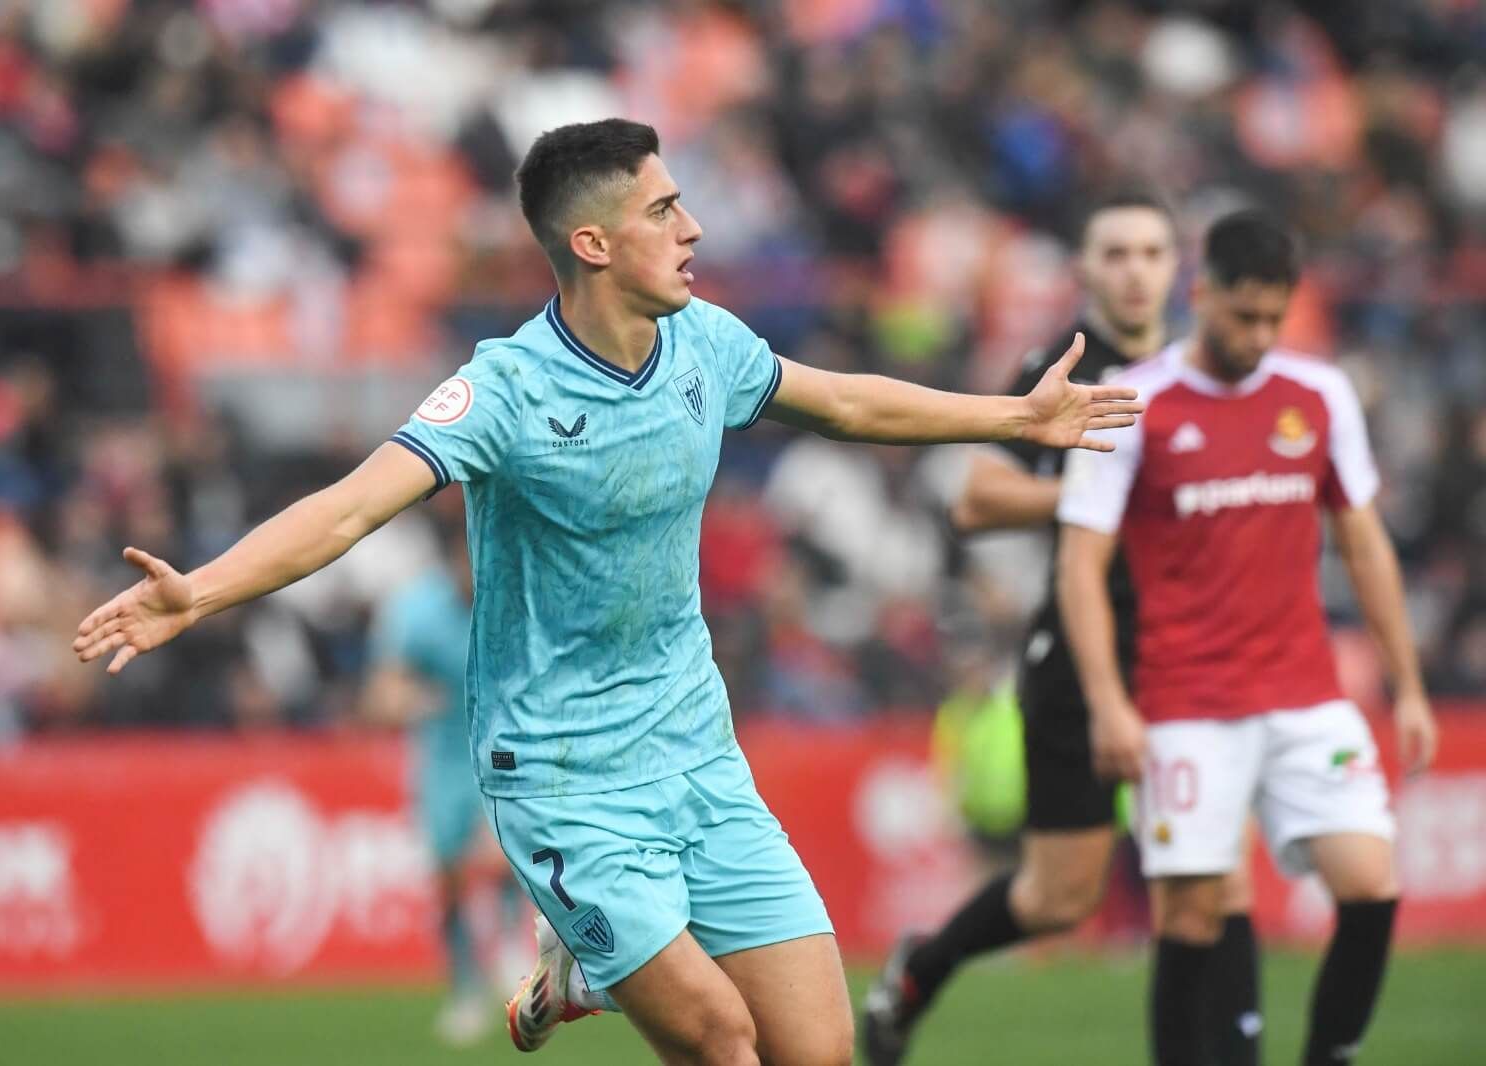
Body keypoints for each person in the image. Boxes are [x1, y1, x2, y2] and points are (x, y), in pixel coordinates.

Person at [73, 118, 1143, 1066]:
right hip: (563, 775)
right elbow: (354, 506)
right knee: (724, 1042)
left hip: (694, 749)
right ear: (591, 243)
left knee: (815, 1049)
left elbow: (848, 405)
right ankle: (593, 957)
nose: (693, 229)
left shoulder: (706, 345)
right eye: (664, 209)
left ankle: (583, 972)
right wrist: (199, 593)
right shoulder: (506, 388)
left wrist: (1011, 417)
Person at [864, 191, 1264, 1066]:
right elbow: (974, 499)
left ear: (1178, 269)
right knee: (1058, 897)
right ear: (1084, 270)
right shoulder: (1061, 365)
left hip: (1193, 652)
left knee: (1215, 881)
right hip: (1083, 653)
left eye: (1151, 253)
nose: (1133, 271)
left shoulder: (1211, 364)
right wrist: (1099, 497)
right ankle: (920, 971)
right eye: (1114, 253)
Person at [1055, 210, 1438, 1066]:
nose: (1260, 336)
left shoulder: (1319, 395)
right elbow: (1081, 566)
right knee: (1192, 916)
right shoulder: (1134, 404)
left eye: (1275, 318)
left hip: (1306, 693)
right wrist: (1110, 704)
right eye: (1244, 317)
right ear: (1202, 295)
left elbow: (1364, 543)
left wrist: (1408, 684)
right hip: (1187, 703)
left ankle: (1327, 1053)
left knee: (1373, 886)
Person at [362, 517, 524, 1045]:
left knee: (501, 855)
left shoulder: (516, 597)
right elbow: (382, 692)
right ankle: (464, 987)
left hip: (507, 750)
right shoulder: (417, 609)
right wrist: (406, 699)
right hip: (443, 756)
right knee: (447, 879)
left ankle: (507, 947)